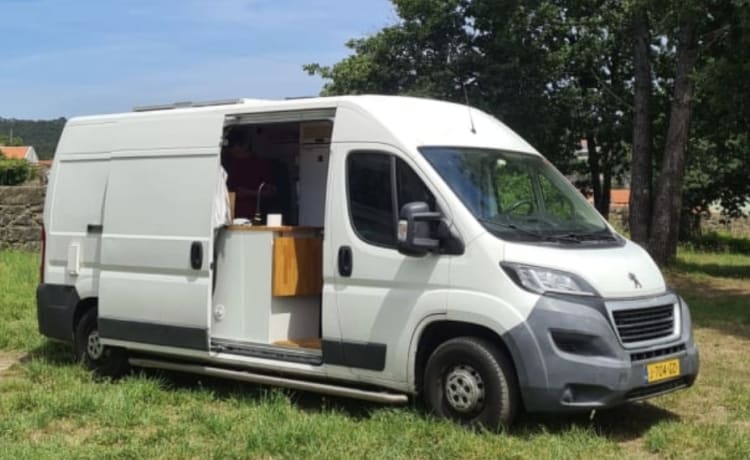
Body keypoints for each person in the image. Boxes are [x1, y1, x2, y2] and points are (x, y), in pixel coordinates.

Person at [221, 128, 289, 222]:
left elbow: (271, 192)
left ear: (244, 145)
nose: (232, 150)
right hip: (229, 216)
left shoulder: (260, 165)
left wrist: (248, 193)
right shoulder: (230, 164)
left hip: (252, 217)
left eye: (235, 146)